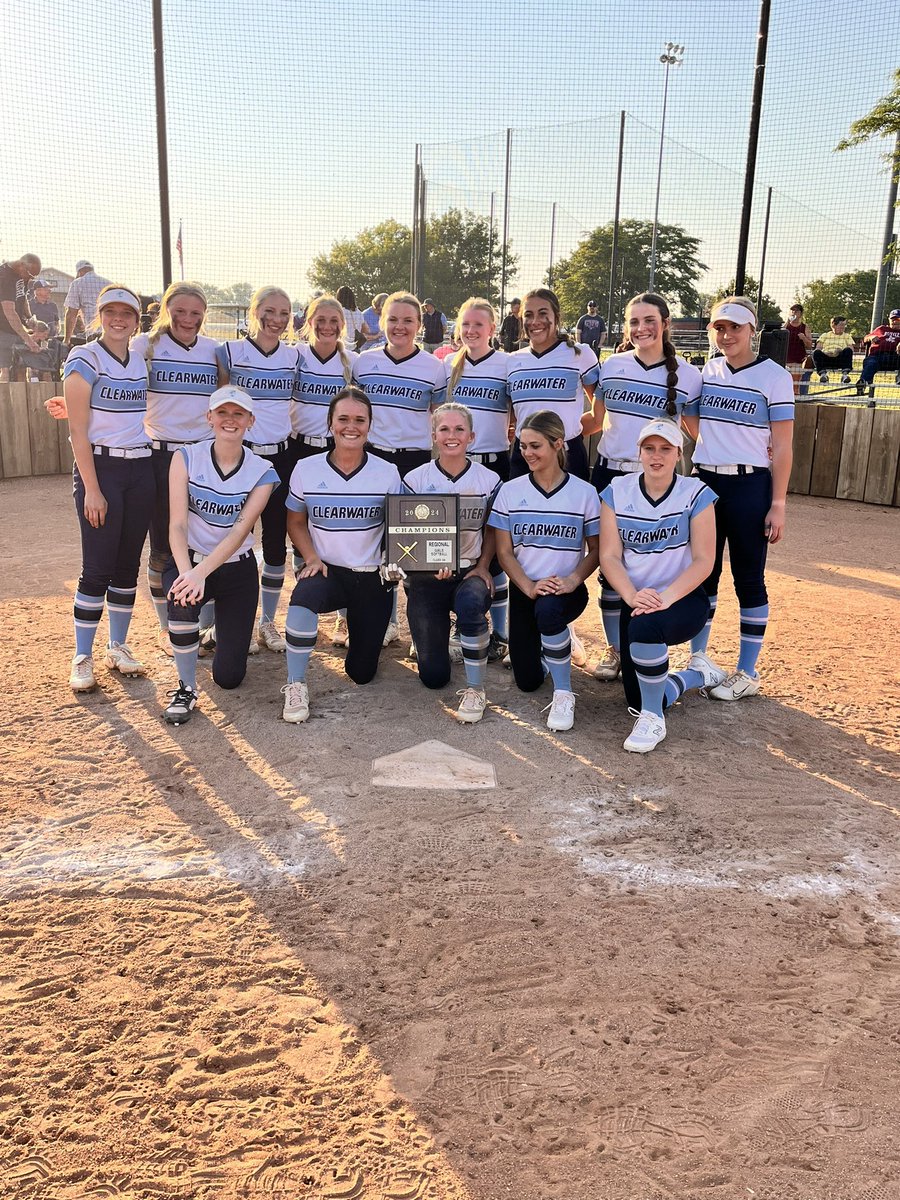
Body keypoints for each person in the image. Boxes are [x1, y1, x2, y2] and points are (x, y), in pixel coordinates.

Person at [581, 292, 702, 683]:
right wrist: (544, 435)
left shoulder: (689, 375)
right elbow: (595, 422)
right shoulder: (611, 366)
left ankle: (653, 644)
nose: (640, 329)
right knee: (609, 566)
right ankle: (616, 649)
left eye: (648, 320)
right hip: (611, 475)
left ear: (665, 323)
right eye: (633, 322)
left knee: (655, 563)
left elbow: (696, 431)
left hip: (658, 480)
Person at [683, 296, 794, 701]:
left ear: (752, 331)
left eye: (735, 327)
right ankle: (699, 659)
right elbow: (691, 418)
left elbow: (782, 445)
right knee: (703, 573)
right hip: (705, 483)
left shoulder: (774, 376)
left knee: (748, 576)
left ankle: (747, 672)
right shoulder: (705, 371)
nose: (726, 335)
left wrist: (778, 503)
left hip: (750, 487)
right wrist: (716, 444)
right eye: (719, 327)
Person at [599, 419, 724, 753]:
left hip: (682, 598)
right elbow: (609, 555)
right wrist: (631, 595)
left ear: (678, 453)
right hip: (637, 597)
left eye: (665, 448)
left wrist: (665, 598)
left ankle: (653, 719)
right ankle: (694, 676)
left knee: (644, 630)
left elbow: (703, 561)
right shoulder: (617, 491)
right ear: (638, 452)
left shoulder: (695, 493)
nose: (657, 456)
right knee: (636, 693)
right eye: (649, 448)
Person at [281, 387, 403, 723]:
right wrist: (310, 556)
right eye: (343, 419)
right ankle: (295, 683)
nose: (352, 426)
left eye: (359, 420)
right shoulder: (307, 468)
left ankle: (358, 627)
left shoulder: (387, 472)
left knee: (361, 673)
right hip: (327, 571)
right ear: (330, 424)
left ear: (370, 426)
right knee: (303, 595)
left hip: (369, 577)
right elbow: (295, 519)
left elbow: (401, 527)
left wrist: (398, 563)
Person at [162, 385, 278, 724]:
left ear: (250, 420)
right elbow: (177, 525)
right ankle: (185, 687)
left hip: (236, 571)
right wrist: (188, 574)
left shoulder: (262, 471)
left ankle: (216, 632)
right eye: (223, 412)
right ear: (209, 417)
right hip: (189, 560)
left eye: (238, 413)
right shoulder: (186, 457)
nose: (230, 420)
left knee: (229, 678)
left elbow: (239, 531)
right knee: (182, 602)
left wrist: (202, 574)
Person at [63, 285, 154, 692]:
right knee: (97, 566)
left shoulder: (138, 360)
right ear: (98, 315)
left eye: (127, 313)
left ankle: (117, 646)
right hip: (101, 469)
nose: (119, 319)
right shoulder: (84, 357)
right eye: (110, 312)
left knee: (126, 564)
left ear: (137, 320)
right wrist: (93, 489)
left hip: (140, 467)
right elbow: (77, 431)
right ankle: (82, 654)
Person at [488, 410, 600, 733]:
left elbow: (596, 552)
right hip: (526, 591)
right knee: (526, 680)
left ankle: (564, 692)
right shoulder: (511, 492)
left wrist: (572, 580)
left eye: (535, 446)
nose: (527, 453)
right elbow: (504, 552)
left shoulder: (583, 493)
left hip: (567, 590)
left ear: (558, 444)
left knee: (550, 611)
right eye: (522, 446)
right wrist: (527, 586)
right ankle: (556, 645)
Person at [352, 291, 447, 644]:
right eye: (393, 319)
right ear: (382, 321)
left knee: (412, 543)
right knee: (372, 537)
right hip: (373, 457)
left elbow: (438, 418)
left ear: (420, 325)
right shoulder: (364, 362)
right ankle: (381, 620)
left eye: (408, 320)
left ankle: (419, 626)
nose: (400, 326)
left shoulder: (434, 368)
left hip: (413, 460)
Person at [132, 283, 220, 654]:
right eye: (180, 311)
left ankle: (211, 626)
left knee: (209, 539)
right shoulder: (144, 346)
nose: (188, 319)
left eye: (196, 313)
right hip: (160, 455)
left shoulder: (215, 350)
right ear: (165, 310)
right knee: (164, 545)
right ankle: (168, 627)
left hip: (204, 456)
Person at [403, 403, 502, 724]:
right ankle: (435, 640)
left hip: (469, 570)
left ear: (472, 436)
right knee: (434, 677)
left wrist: (484, 564)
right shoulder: (416, 478)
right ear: (433, 436)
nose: (452, 435)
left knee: (472, 601)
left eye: (459, 429)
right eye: (444, 429)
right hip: (427, 576)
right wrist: (430, 563)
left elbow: (493, 530)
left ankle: (476, 688)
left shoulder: (489, 479)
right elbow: (406, 534)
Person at [216, 286, 301, 651]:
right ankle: (220, 623)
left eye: (284, 313)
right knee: (229, 537)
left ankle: (268, 622)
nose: (276, 319)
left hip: (280, 457)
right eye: (269, 311)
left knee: (275, 542)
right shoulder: (230, 352)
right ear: (255, 311)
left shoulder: (294, 356)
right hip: (242, 455)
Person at [445, 296, 513, 657]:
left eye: (478, 325)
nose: (471, 330)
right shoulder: (448, 366)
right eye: (466, 324)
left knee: (496, 547)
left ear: (492, 329)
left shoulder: (506, 364)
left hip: (495, 464)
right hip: (458, 465)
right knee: (459, 542)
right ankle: (462, 623)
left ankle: (500, 632)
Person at [290, 294, 358, 648]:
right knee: (300, 527)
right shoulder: (296, 356)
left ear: (342, 324)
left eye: (335, 320)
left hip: (337, 449)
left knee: (344, 531)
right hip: (298, 447)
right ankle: (304, 609)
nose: (328, 326)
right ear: (309, 321)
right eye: (321, 319)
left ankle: (345, 620)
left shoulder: (352, 362)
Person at [506, 287, 599, 482]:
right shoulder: (512, 361)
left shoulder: (580, 354)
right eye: (528, 315)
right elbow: (514, 416)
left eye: (543, 313)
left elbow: (600, 415)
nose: (535, 321)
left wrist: (568, 435)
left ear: (556, 317)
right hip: (525, 457)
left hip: (568, 455)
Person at [0, 253, 42, 382]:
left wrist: (30, 318)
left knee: (22, 367)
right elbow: (9, 311)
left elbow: (23, 298)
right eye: (30, 275)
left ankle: (21, 401)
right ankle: (4, 400)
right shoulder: (5, 277)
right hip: (3, 330)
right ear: (22, 265)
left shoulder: (22, 276)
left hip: (15, 329)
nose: (30, 278)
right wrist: (28, 340)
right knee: (5, 369)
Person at [64, 259, 112, 344]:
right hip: (112, 332)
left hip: (94, 334)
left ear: (79, 272)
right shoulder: (109, 283)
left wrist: (66, 340)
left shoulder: (77, 283)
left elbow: (71, 314)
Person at [856, 309, 900, 394]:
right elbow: (865, 339)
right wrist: (871, 337)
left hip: (895, 357)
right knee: (871, 363)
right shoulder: (881, 328)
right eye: (892, 319)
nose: (894, 322)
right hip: (877, 356)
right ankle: (863, 382)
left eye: (897, 319)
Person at [812, 316, 855, 385]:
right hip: (826, 358)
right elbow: (818, 348)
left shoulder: (847, 336)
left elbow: (851, 349)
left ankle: (845, 375)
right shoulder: (825, 335)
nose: (843, 327)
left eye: (844, 325)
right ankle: (823, 376)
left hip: (839, 359)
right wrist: (826, 353)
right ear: (833, 325)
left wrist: (840, 351)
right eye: (841, 325)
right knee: (816, 352)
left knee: (848, 350)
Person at [782, 302, 813, 369]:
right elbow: (780, 336)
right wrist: (787, 322)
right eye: (792, 311)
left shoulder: (805, 327)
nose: (794, 312)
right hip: (785, 360)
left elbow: (810, 345)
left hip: (799, 361)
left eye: (796, 311)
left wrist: (804, 338)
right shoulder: (786, 326)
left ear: (801, 314)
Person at [336, 285, 365, 352]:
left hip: (341, 346)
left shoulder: (338, 311)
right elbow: (365, 329)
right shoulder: (358, 312)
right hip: (355, 346)